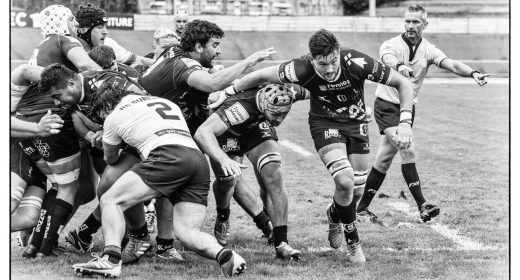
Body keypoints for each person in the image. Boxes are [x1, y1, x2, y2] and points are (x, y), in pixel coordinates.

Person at [211, 29, 416, 264]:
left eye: (332, 62)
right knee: (345, 179)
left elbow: (402, 83)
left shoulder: (357, 61)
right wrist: (226, 92)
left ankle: (333, 214)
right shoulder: (299, 68)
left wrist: (405, 123)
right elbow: (259, 77)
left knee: (355, 191)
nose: (328, 70)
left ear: (338, 52)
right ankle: (353, 241)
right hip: (324, 125)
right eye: (322, 64)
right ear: (312, 58)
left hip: (357, 124)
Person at [72, 86, 246, 278]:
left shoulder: (113, 116)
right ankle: (226, 256)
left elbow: (111, 160)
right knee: (187, 233)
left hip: (166, 155)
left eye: (101, 117)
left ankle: (111, 260)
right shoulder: (164, 102)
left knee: (110, 199)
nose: (102, 121)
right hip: (196, 159)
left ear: (105, 108)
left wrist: (107, 141)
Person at [138, 19, 277, 247]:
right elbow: (212, 84)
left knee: (228, 172)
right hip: (156, 131)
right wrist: (249, 61)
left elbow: (208, 82)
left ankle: (264, 225)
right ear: (199, 46)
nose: (219, 50)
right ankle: (144, 234)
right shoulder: (184, 64)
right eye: (215, 44)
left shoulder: (176, 53)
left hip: (176, 124)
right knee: (172, 181)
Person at [356, 4, 490, 223]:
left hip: (408, 109)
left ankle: (361, 209)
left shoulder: (428, 49)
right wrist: (401, 67)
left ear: (425, 24)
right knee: (407, 149)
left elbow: (452, 65)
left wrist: (473, 73)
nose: (410, 25)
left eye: (416, 22)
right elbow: (387, 59)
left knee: (384, 160)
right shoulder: (390, 44)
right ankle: (423, 205)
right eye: (407, 21)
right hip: (387, 106)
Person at [16, 4, 102, 259]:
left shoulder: (41, 46)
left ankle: (35, 243)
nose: (75, 24)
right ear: (64, 22)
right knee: (70, 188)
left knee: (64, 185)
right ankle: (45, 246)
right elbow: (89, 68)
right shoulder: (64, 39)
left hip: (26, 124)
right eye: (71, 20)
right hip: (52, 120)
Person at [195, 84, 306, 260]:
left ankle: (281, 242)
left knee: (273, 173)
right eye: (276, 114)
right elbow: (202, 133)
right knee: (229, 179)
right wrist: (224, 159)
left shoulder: (287, 93)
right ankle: (223, 215)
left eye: (284, 114)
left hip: (256, 126)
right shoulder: (239, 108)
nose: (279, 120)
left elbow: (317, 89)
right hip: (227, 132)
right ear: (263, 104)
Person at [75, 3, 154, 67]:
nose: (106, 31)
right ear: (83, 30)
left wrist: (163, 64)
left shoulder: (108, 43)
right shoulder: (72, 46)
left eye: (105, 27)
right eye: (99, 27)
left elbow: (139, 60)